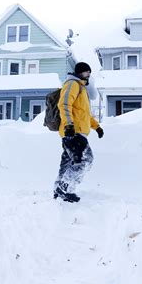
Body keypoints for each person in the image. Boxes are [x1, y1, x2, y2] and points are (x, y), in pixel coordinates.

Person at [53, 62, 104, 202]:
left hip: (74, 132)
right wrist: (69, 124)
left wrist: (97, 127)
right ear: (81, 72)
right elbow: (64, 104)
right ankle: (65, 187)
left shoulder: (81, 88)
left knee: (68, 162)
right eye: (87, 72)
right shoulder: (72, 84)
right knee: (85, 160)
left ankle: (58, 190)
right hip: (73, 131)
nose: (89, 75)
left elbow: (84, 114)